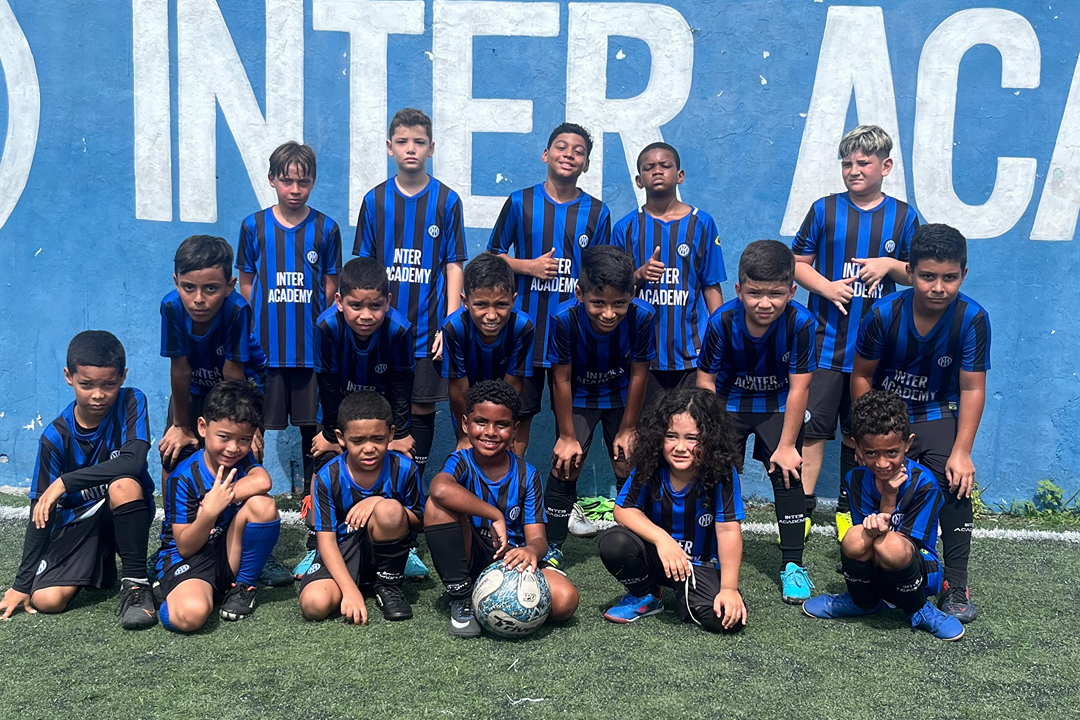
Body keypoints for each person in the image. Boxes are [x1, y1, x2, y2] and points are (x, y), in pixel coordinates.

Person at [852, 223, 990, 623]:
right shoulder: (883, 314)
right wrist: (864, 436)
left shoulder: (972, 319)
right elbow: (861, 376)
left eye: (950, 278)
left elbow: (972, 388)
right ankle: (870, 574)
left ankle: (955, 584)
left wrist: (962, 452)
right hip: (886, 417)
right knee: (873, 482)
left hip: (936, 412)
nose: (938, 287)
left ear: (963, 274)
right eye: (928, 276)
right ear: (909, 272)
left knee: (955, 480)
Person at [790, 125, 919, 541]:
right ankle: (803, 509)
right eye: (847, 163)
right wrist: (826, 288)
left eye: (863, 162)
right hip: (825, 345)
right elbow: (797, 263)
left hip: (876, 353)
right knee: (812, 431)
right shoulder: (824, 209)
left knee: (861, 434)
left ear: (886, 166)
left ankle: (850, 508)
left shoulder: (903, 216)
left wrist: (889, 265)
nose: (854, 170)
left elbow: (918, 272)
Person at [0, 331, 157, 629]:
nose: (98, 394)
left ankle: (136, 585)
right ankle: (102, 563)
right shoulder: (54, 437)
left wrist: (65, 482)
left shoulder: (131, 401)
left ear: (123, 377)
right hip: (79, 522)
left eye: (109, 384)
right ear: (69, 377)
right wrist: (22, 583)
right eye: (86, 384)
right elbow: (41, 511)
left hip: (122, 510)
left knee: (124, 484)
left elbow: (133, 461)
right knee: (47, 600)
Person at [696, 240, 818, 603]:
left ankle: (793, 564)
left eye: (776, 294)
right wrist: (711, 431)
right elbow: (705, 381)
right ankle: (706, 553)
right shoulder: (722, 321)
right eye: (755, 293)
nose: (765, 303)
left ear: (792, 291)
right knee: (713, 472)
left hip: (778, 404)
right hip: (728, 404)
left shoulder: (801, 323)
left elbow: (800, 388)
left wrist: (786, 446)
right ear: (739, 290)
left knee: (788, 473)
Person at [354, 108, 467, 480]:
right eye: (402, 142)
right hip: (380, 329)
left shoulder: (447, 201)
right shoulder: (375, 200)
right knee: (378, 407)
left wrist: (450, 324)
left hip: (426, 330)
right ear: (390, 148)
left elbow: (453, 265)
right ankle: (376, 484)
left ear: (431, 148)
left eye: (419, 142)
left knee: (421, 407)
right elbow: (364, 268)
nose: (411, 149)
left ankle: (411, 485)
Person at [487, 123, 611, 451]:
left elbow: (602, 273)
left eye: (578, 151)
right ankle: (511, 480)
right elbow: (493, 256)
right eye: (561, 147)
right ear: (546, 154)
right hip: (525, 333)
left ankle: (561, 484)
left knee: (572, 423)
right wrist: (528, 267)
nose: (569, 154)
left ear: (586, 164)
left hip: (575, 335)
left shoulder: (597, 212)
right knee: (516, 417)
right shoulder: (520, 202)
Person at [802, 390, 963, 641]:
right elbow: (870, 537)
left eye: (891, 453)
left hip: (917, 571)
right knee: (853, 538)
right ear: (857, 447)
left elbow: (903, 544)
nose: (882, 463)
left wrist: (889, 496)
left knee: (891, 546)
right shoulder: (855, 479)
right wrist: (888, 498)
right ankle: (861, 602)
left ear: (907, 444)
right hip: (877, 566)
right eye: (871, 453)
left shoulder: (925, 484)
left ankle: (918, 608)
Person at [423, 380, 580, 638]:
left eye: (502, 424)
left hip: (511, 559)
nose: (490, 432)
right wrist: (494, 514)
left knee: (565, 601)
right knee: (436, 506)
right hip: (471, 555)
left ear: (515, 429)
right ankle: (461, 596)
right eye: (481, 422)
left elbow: (538, 539)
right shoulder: (460, 461)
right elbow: (439, 489)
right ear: (465, 424)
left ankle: (509, 601)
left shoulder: (527, 474)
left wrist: (530, 551)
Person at [292, 257, 416, 578]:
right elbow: (327, 382)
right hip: (339, 409)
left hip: (380, 414)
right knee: (322, 462)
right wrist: (331, 436)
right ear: (339, 301)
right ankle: (316, 545)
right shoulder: (327, 326)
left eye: (375, 306)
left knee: (400, 463)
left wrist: (401, 432)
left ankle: (405, 546)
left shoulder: (400, 329)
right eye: (355, 305)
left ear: (388, 301)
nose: (365, 315)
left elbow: (402, 383)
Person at [236, 141, 342, 502]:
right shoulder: (253, 226)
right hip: (266, 349)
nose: (295, 189)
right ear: (272, 180)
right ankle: (248, 491)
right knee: (254, 423)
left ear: (313, 182)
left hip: (309, 350)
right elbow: (247, 283)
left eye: (303, 182)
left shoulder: (326, 228)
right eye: (287, 181)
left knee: (313, 427)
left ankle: (315, 495)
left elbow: (330, 286)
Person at [599, 387, 746, 633]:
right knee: (614, 542)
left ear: (711, 439)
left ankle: (688, 594)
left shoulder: (722, 474)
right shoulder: (651, 465)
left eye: (692, 438)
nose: (680, 447)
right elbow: (623, 510)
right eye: (671, 436)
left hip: (697, 566)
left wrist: (729, 589)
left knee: (726, 620)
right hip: (659, 557)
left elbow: (729, 530)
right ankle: (646, 594)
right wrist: (663, 540)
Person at [544, 245, 655, 568]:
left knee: (627, 459)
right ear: (580, 294)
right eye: (598, 303)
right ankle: (551, 546)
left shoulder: (643, 316)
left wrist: (628, 428)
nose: (609, 313)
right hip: (579, 396)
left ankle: (634, 538)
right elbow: (561, 379)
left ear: (632, 295)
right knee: (567, 462)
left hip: (621, 396)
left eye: (619, 303)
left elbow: (639, 373)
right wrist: (567, 436)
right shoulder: (563, 318)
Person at [154, 380, 282, 632]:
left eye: (244, 439)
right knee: (190, 617)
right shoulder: (184, 477)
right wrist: (209, 513)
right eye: (224, 437)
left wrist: (223, 497)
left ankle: (243, 587)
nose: (233, 448)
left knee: (264, 505)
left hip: (226, 553)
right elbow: (186, 546)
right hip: (190, 558)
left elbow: (263, 481)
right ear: (202, 427)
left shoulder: (241, 461)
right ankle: (166, 592)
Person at [610, 142, 726, 399]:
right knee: (648, 423)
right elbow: (613, 291)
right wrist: (639, 274)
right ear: (639, 180)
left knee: (691, 421)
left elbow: (711, 284)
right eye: (649, 167)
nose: (657, 171)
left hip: (693, 354)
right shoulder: (625, 228)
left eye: (665, 165)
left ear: (680, 175)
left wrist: (721, 335)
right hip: (641, 354)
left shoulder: (702, 223)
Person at [298, 391, 424, 624]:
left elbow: (419, 520)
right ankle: (354, 584)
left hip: (383, 555)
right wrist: (349, 591)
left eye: (378, 439)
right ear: (341, 437)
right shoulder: (328, 476)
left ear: (391, 434)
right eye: (358, 441)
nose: (369, 448)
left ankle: (388, 586)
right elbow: (326, 540)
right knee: (314, 605)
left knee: (390, 510)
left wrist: (379, 501)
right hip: (342, 552)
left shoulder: (405, 468)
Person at [157, 235, 267, 472]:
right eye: (189, 287)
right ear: (176, 282)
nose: (198, 299)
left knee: (237, 453)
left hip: (239, 387)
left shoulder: (237, 309)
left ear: (229, 286)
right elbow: (180, 369)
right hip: (193, 387)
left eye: (210, 289)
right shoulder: (172, 307)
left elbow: (233, 373)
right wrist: (180, 425)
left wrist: (248, 423)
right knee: (174, 453)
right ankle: (176, 499)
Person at [441, 252, 534, 452]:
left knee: (504, 455)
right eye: (481, 305)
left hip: (505, 403)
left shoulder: (522, 327)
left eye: (501, 304)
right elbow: (458, 388)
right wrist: (465, 435)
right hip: (466, 405)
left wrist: (503, 429)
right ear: (465, 302)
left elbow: (513, 385)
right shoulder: (454, 328)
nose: (491, 315)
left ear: (513, 300)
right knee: (469, 453)